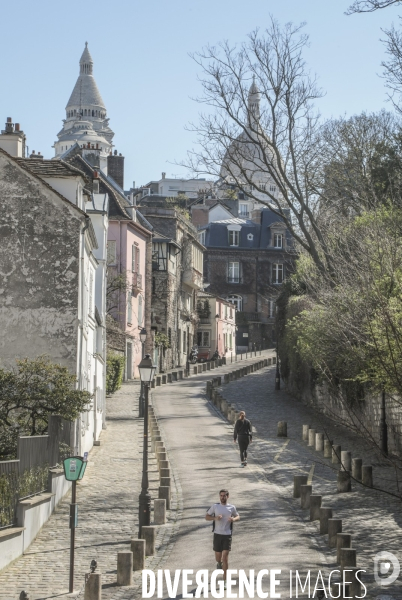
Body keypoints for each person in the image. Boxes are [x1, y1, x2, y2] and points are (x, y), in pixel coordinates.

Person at [205, 489, 240, 589]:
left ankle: (225, 581)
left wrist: (233, 519)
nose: (222, 497)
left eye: (224, 496)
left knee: (225, 558)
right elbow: (206, 517)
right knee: (218, 557)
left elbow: (238, 516)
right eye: (221, 496)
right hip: (217, 534)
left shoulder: (231, 507)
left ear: (227, 496)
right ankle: (218, 563)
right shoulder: (215, 506)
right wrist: (215, 518)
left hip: (227, 535)